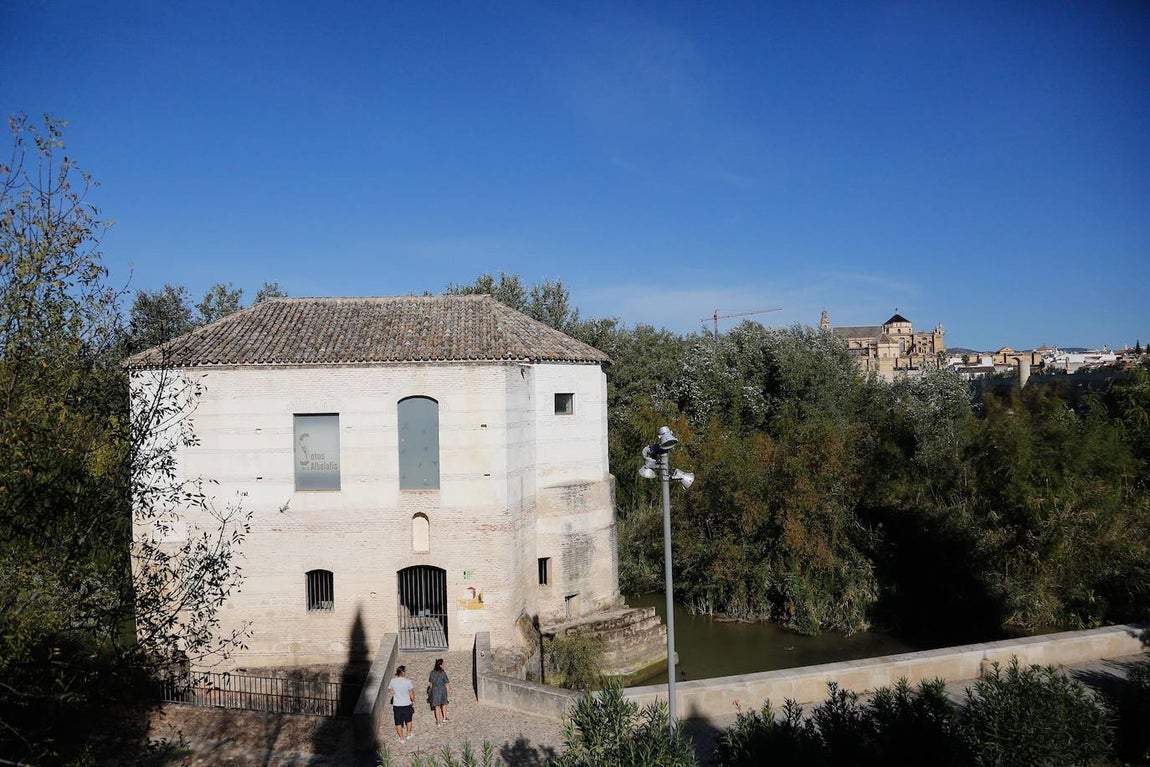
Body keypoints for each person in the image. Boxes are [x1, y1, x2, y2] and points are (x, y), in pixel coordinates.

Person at [387, 665, 416, 743]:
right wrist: (413, 700)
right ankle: (409, 734)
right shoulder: (408, 681)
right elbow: (411, 692)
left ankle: (401, 738)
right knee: (409, 720)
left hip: (397, 705)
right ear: (403, 672)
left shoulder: (393, 681)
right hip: (407, 704)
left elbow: (390, 690)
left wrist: (394, 693)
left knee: (398, 722)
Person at [427, 657, 451, 725]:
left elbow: (430, 684)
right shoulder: (442, 673)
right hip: (442, 690)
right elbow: (446, 682)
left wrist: (430, 693)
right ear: (440, 665)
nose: (444, 665)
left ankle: (438, 721)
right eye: (443, 664)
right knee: (444, 704)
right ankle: (444, 717)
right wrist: (449, 690)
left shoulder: (432, 673)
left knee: (436, 706)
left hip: (435, 691)